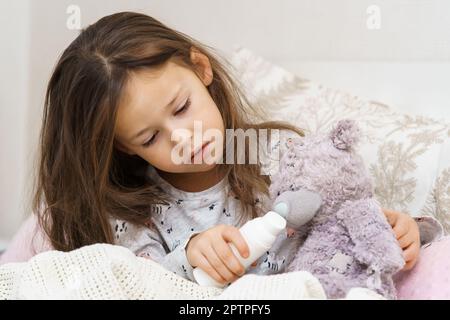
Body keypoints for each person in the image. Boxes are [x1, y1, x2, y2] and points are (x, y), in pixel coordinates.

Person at [0, 12, 441, 287]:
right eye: (151, 138)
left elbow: (351, 220)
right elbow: (133, 282)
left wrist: (406, 229)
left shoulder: (279, 153)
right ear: (124, 148)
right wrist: (189, 258)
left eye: (182, 107)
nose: (184, 139)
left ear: (200, 68)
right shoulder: (131, 213)